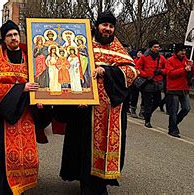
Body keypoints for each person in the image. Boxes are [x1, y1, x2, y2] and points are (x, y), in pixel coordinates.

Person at [57, 11, 138, 194]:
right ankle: (86, 183)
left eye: (111, 26)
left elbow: (132, 72)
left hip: (109, 112)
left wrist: (107, 71)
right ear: (97, 26)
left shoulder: (117, 49)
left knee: (102, 146)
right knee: (83, 147)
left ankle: (98, 184)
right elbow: (69, 66)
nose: (107, 29)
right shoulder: (84, 44)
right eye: (104, 25)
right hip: (84, 109)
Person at [0, 20, 43, 195]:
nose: (13, 38)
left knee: (23, 157)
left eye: (16, 34)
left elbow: (42, 81)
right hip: (4, 119)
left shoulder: (30, 59)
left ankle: (19, 188)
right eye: (9, 35)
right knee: (0, 157)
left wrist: (41, 98)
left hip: (26, 115)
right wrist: (21, 88)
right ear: (4, 40)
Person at [165, 44, 194, 138]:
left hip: (184, 88)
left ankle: (174, 125)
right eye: (181, 51)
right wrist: (184, 70)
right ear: (177, 51)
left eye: (184, 51)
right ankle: (173, 129)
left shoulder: (187, 60)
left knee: (186, 108)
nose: (183, 53)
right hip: (174, 88)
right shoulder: (170, 60)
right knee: (173, 110)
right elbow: (170, 74)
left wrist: (192, 66)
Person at [136, 40, 167, 128]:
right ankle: (147, 120)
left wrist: (161, 71)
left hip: (157, 83)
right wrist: (145, 75)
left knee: (157, 101)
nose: (157, 49)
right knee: (147, 102)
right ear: (151, 48)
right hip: (147, 82)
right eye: (155, 47)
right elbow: (138, 68)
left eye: (158, 47)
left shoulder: (161, 58)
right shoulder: (144, 57)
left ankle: (147, 114)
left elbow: (168, 68)